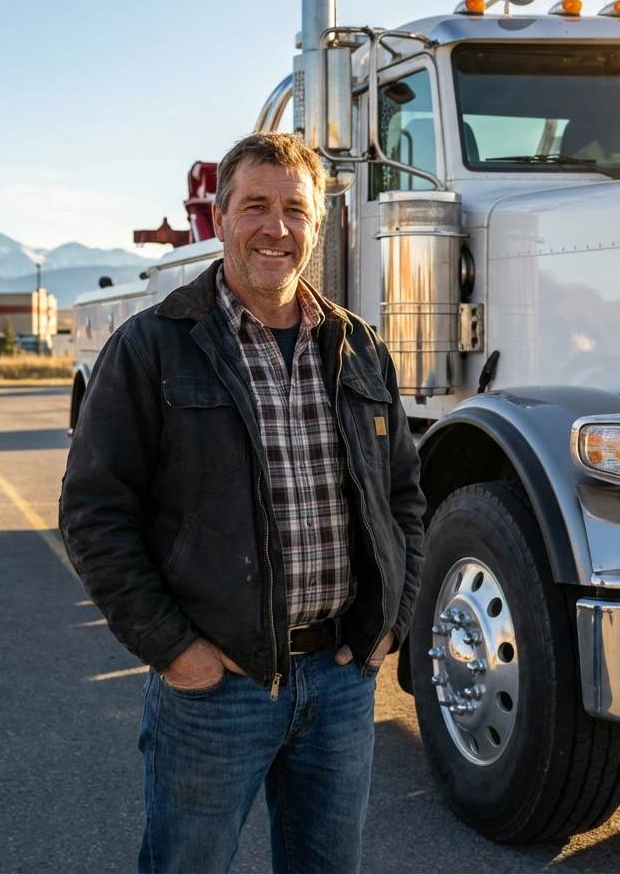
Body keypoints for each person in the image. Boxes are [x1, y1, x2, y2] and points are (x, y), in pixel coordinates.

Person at [59, 132, 426, 873]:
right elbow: (94, 512)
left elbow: (404, 499)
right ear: (220, 219)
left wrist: (392, 620)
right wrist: (175, 652)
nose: (276, 228)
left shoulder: (360, 349)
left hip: (341, 681)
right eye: (255, 205)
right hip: (217, 689)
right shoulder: (153, 346)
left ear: (317, 229)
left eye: (296, 211)